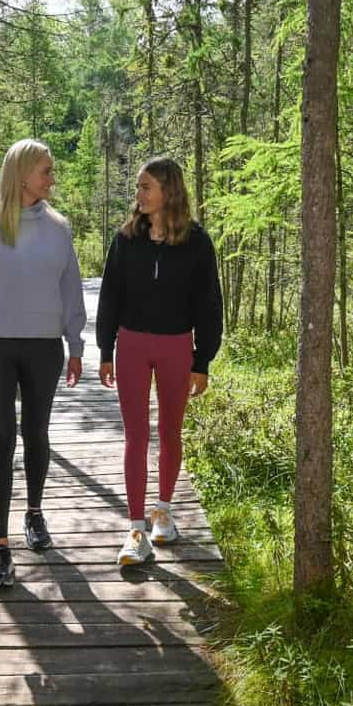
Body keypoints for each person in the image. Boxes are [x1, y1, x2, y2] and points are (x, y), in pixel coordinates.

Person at [0, 139, 87, 589]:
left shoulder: (58, 228)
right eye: (46, 171)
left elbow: (71, 288)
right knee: (0, 440)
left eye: (52, 171)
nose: (52, 178)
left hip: (44, 348)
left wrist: (76, 344)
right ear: (23, 174)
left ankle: (34, 513)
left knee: (36, 433)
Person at [97, 156, 223, 566]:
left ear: (168, 191)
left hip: (175, 347)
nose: (138, 195)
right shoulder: (126, 238)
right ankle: (136, 530)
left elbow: (209, 305)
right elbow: (110, 296)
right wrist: (105, 351)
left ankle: (163, 514)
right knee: (136, 437)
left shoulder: (197, 242)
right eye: (138, 188)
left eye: (145, 187)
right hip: (131, 345)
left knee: (170, 432)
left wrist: (202, 360)